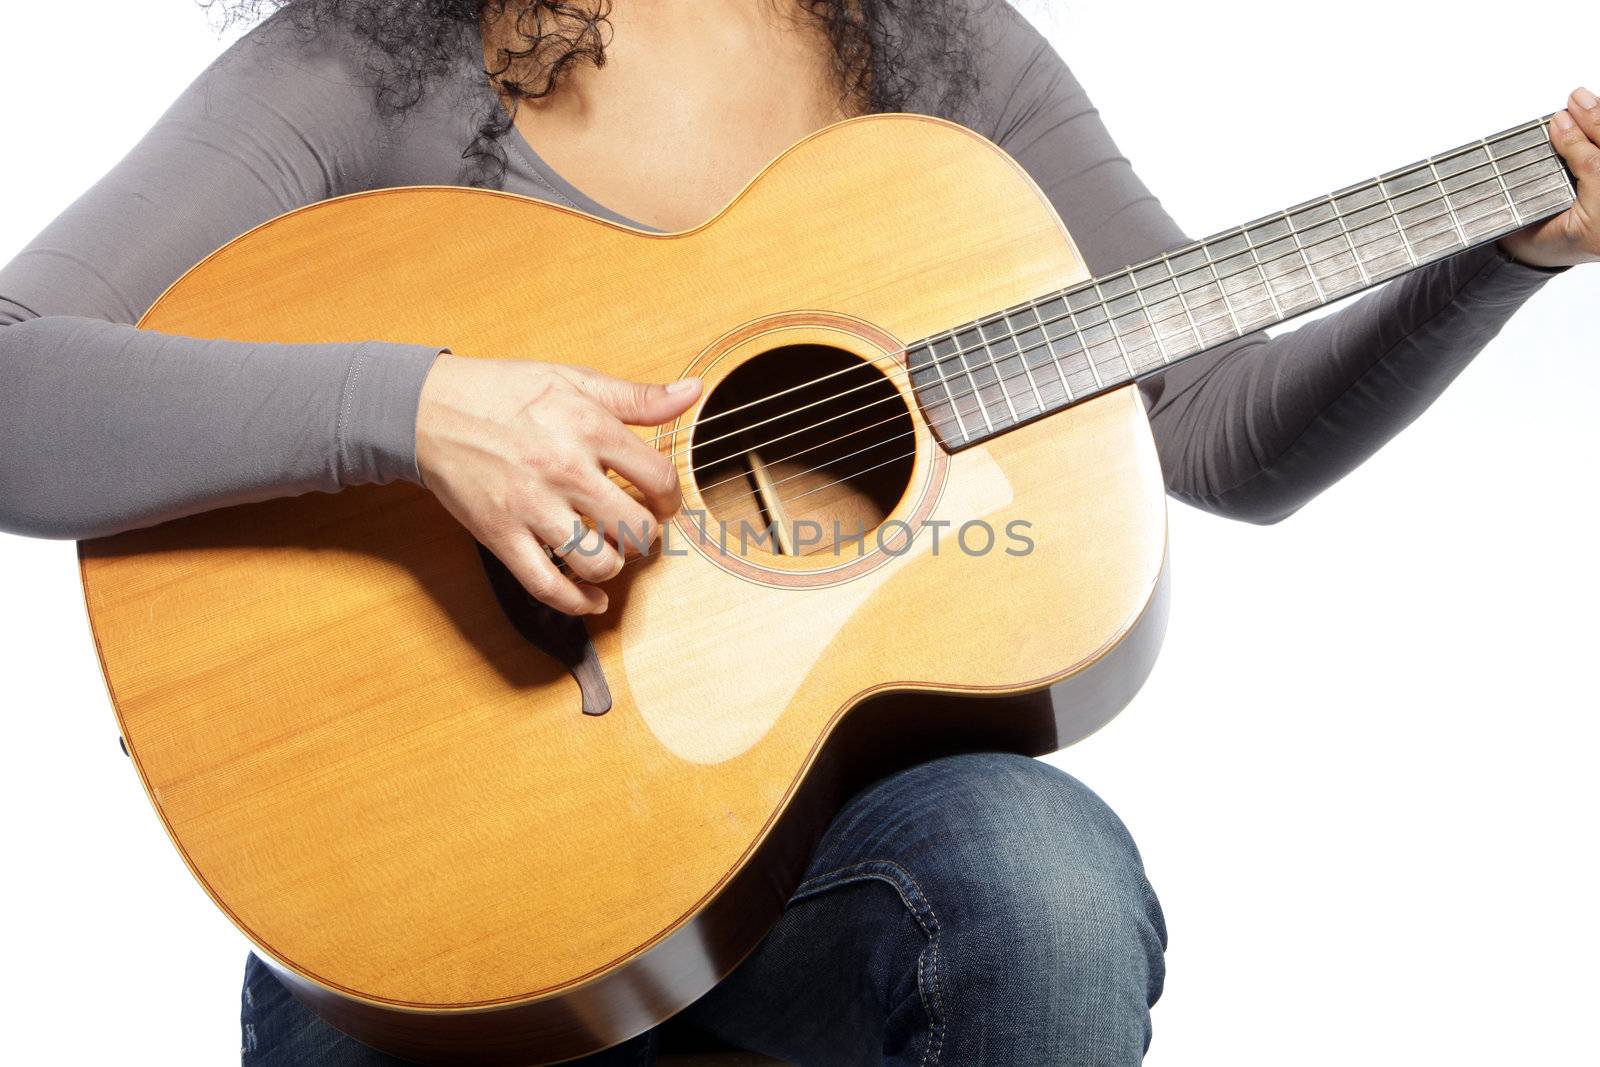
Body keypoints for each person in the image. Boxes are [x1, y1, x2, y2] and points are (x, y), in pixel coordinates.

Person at [2, 1, 1595, 1064]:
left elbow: (1216, 431)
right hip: (428, 907)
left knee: (1041, 880)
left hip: (827, 883)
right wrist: (418, 409)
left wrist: (1507, 240)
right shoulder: (376, 56)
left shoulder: (945, 57)